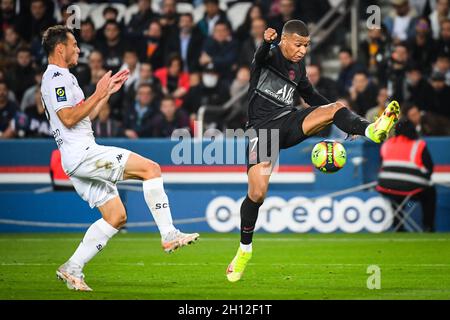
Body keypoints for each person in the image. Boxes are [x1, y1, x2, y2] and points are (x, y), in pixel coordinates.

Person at [225, 20, 400, 283]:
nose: (302, 50)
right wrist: (266, 41)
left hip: (288, 121)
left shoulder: (299, 67)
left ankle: (371, 130)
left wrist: (344, 120)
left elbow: (313, 97)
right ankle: (244, 250)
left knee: (334, 107)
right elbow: (260, 55)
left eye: (306, 45)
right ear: (284, 40)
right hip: (261, 131)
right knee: (257, 193)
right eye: (298, 45)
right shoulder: (269, 56)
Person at [40, 25, 199, 292]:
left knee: (115, 216)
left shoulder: (61, 77)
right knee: (151, 169)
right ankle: (169, 234)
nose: (79, 49)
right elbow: (67, 118)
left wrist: (106, 94)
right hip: (82, 154)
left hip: (76, 156)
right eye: (74, 44)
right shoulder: (57, 77)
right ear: (60, 48)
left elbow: (81, 116)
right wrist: (99, 93)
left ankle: (71, 268)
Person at [376, 118, 436, 232]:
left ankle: (398, 225)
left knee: (395, 191)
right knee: (430, 192)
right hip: (411, 187)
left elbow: (382, 164)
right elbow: (429, 168)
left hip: (386, 187)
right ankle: (428, 226)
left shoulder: (387, 144)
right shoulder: (419, 144)